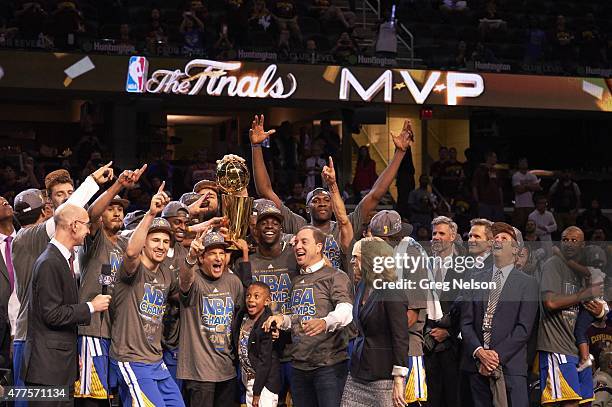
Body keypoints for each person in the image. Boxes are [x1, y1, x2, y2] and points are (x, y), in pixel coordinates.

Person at [250, 114, 414, 271]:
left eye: (327, 199)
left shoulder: (346, 225)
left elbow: (376, 194)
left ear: (334, 204)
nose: (322, 202)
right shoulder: (299, 226)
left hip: (340, 293)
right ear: (307, 208)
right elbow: (265, 191)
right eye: (315, 200)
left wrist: (400, 153)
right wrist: (256, 147)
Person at [12, 165, 112, 400]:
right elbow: (68, 213)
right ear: (47, 209)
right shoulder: (32, 239)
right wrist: (93, 182)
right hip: (35, 342)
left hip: (48, 346)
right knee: (28, 401)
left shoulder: (55, 252)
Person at [74, 165, 146, 403]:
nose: (117, 213)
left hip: (117, 332)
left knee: (110, 396)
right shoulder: (94, 239)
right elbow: (92, 215)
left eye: (120, 209)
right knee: (91, 397)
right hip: (92, 330)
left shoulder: (126, 245)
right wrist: (118, 186)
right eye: (111, 209)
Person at [109, 182, 185, 407]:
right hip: (131, 359)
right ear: (144, 243)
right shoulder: (131, 269)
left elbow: (185, 292)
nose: (161, 246)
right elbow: (131, 251)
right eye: (155, 240)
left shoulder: (165, 274)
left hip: (156, 361)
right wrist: (152, 213)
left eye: (165, 241)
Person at [263, 225, 354, 407]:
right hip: (299, 367)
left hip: (328, 367)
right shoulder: (296, 280)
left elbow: (346, 310)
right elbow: (298, 316)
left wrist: (325, 322)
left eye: (304, 242)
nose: (297, 246)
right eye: (296, 242)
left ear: (318, 247)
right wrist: (282, 319)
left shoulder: (336, 276)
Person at [460, 222, 539, 407]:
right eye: (495, 238)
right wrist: (480, 353)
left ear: (515, 250)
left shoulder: (528, 283)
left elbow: (524, 328)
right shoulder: (476, 279)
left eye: (504, 238)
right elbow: (466, 323)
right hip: (477, 367)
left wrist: (494, 357)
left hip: (510, 368)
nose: (498, 240)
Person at [234, 201, 298, 407]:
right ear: (255, 228)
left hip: (294, 348)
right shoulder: (246, 262)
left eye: (275, 222)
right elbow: (243, 299)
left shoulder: (294, 257)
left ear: (282, 228)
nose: (270, 226)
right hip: (263, 353)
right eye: (264, 222)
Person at [537, 226, 605, 406]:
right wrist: (585, 294)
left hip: (578, 348)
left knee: (585, 402)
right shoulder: (553, 265)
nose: (568, 243)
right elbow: (550, 303)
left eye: (574, 240)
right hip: (557, 346)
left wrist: (599, 312)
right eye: (565, 239)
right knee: (568, 401)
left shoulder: (581, 271)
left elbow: (592, 303)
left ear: (582, 245)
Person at [178, 231, 244, 406]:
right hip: (199, 372)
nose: (218, 258)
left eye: (221, 253)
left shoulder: (233, 282)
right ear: (202, 259)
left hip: (227, 370)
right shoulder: (194, 280)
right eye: (212, 253)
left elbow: (240, 319)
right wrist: (191, 256)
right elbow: (185, 280)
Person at [341, 239, 409, 407]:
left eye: (355, 257)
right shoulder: (362, 285)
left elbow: (400, 337)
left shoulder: (392, 291)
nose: (351, 262)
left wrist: (399, 378)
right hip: (357, 372)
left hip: (383, 377)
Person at [424, 216, 463, 407]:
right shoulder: (424, 266)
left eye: (441, 233)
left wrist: (449, 332)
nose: (436, 237)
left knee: (452, 399)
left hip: (454, 347)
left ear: (453, 237)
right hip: (427, 344)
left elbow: (468, 308)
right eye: (434, 234)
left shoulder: (465, 267)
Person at [235, 282, 282, 407]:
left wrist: (257, 392)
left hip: (263, 385)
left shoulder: (266, 325)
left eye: (256, 296)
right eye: (248, 296)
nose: (251, 299)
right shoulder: (244, 317)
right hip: (248, 380)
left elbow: (264, 362)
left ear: (266, 301)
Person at [160, 201, 191, 388]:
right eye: (177, 222)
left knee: (173, 389)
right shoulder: (151, 249)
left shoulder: (185, 254)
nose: (182, 227)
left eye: (185, 223)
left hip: (175, 332)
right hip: (150, 329)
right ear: (165, 222)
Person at [472, 151, 504, 222]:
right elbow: (474, 187)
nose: (496, 159)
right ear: (489, 158)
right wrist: (477, 201)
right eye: (494, 157)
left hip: (497, 204)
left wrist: (501, 202)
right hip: (484, 203)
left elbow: (499, 187)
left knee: (497, 225)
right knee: (486, 225)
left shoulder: (497, 171)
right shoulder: (479, 170)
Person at [511, 158, 541, 229]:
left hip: (531, 204)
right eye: (522, 162)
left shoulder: (532, 175)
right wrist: (530, 186)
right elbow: (518, 189)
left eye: (525, 162)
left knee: (531, 225)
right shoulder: (516, 176)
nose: (524, 164)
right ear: (519, 165)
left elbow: (538, 187)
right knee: (519, 225)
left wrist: (525, 186)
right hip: (519, 205)